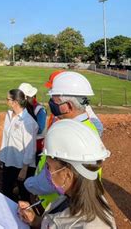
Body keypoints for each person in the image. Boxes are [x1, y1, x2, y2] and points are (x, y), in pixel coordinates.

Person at [25, 71, 104, 210]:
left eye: (54, 100)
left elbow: (54, 178)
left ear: (68, 106)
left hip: (59, 203)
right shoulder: (84, 126)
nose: (51, 103)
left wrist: (30, 184)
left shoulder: (70, 133)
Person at [18, 119, 116, 228]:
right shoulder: (69, 197)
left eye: (48, 166)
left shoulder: (90, 226)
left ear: (67, 175)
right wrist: (35, 220)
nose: (46, 172)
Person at [0, 89, 38, 201]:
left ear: (15, 102)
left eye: (8, 99)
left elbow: (30, 148)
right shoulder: (8, 115)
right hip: (9, 160)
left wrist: (24, 168)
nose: (6, 101)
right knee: (6, 189)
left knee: (23, 193)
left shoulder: (28, 122)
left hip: (20, 165)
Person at [19, 82, 47, 164]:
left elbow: (40, 129)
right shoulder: (24, 109)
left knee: (33, 168)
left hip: (37, 143)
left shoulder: (39, 110)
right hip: (26, 142)